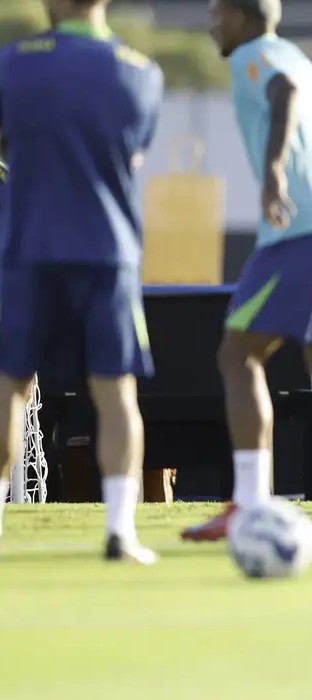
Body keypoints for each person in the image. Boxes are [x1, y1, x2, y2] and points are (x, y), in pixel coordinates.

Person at [182, 0, 312, 541]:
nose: (211, 24)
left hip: (301, 231)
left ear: (243, 18)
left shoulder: (256, 56)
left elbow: (282, 94)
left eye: (217, 13)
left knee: (238, 353)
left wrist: (274, 172)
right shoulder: (306, 63)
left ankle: (247, 503)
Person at [0, 0, 163, 562]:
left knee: (10, 386)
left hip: (29, 247)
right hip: (107, 250)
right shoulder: (141, 72)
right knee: (116, 390)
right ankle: (121, 531)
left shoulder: (13, 63)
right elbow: (131, 156)